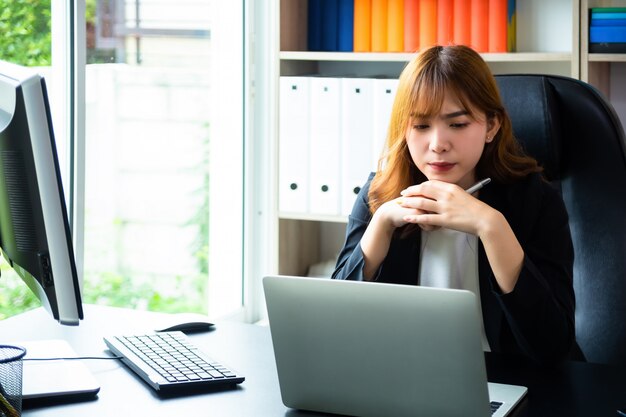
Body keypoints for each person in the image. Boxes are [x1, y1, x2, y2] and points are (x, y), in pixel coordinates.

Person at [332, 45, 582, 364]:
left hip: (509, 382)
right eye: (421, 126)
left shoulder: (536, 201)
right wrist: (380, 224)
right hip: (404, 376)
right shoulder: (378, 194)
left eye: (458, 124)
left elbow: (553, 346)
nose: (438, 144)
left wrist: (491, 227)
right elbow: (336, 327)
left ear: (491, 126)